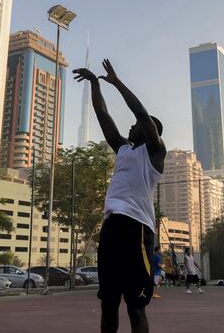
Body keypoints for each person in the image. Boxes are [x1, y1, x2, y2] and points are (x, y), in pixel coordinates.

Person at [74, 60, 166, 333]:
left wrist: (116, 82)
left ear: (148, 129)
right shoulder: (123, 148)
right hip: (111, 227)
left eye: (137, 124)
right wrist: (94, 84)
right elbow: (102, 114)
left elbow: (140, 110)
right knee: (109, 303)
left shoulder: (154, 152)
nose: (131, 126)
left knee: (135, 306)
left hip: (136, 228)